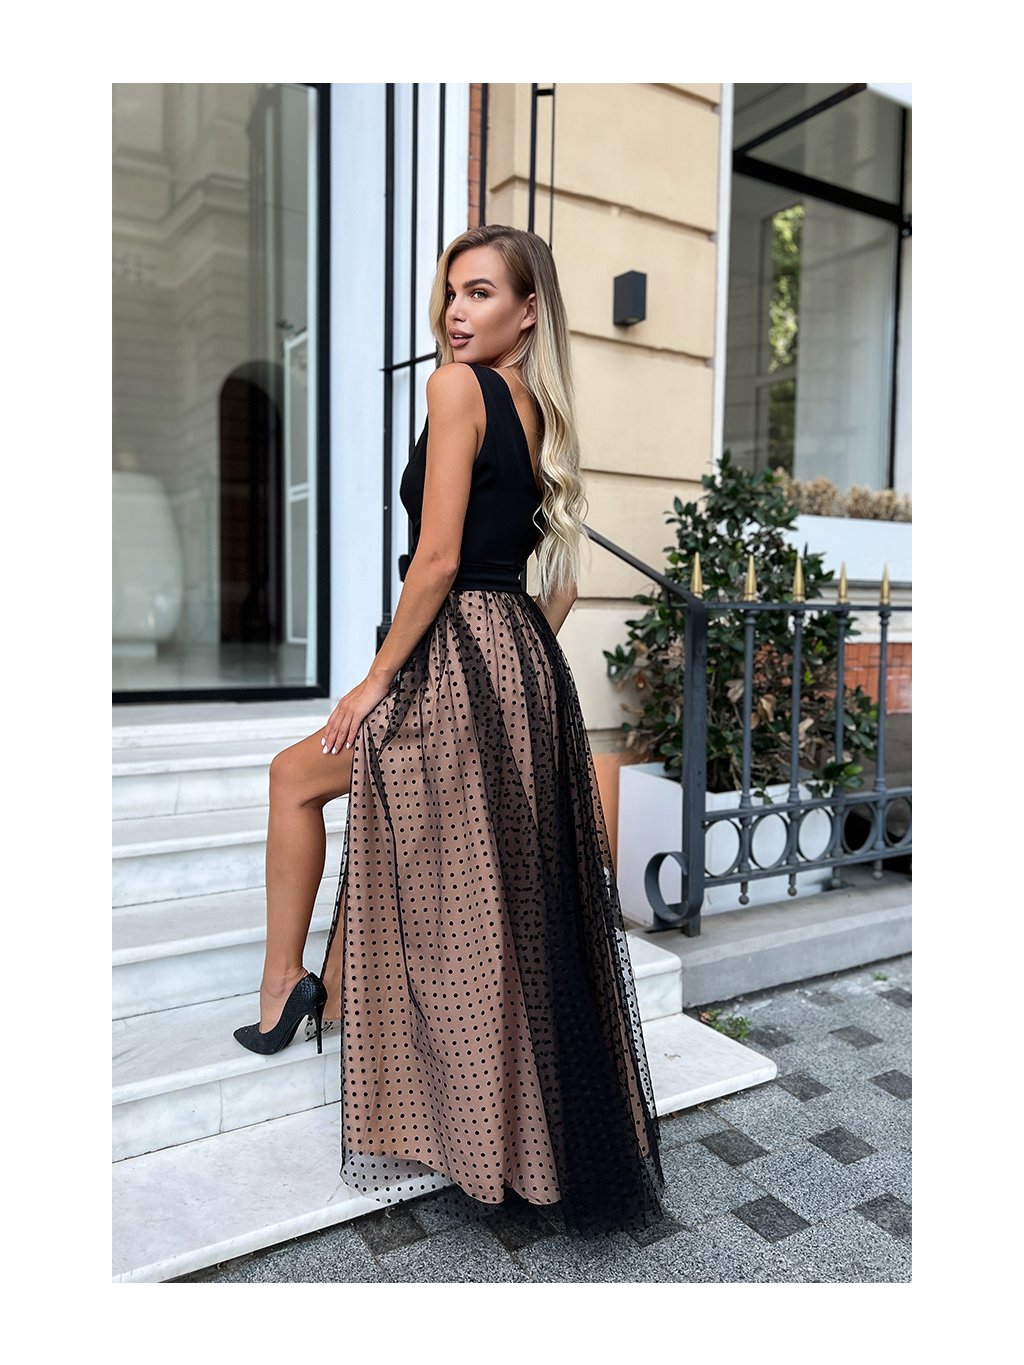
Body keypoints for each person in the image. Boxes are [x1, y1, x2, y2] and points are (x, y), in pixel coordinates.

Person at [232, 224, 667, 1238]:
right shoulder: (539, 409)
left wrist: (375, 680)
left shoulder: (456, 390)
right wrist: (512, 651)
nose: (456, 313)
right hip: (519, 655)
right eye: (451, 294)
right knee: (452, 864)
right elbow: (563, 582)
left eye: (480, 293)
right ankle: (334, 996)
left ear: (527, 310)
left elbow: (434, 560)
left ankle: (286, 987)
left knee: (297, 778)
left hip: (453, 648)